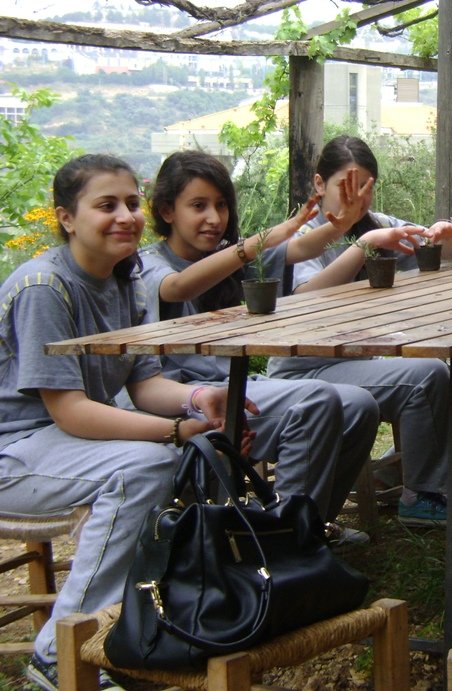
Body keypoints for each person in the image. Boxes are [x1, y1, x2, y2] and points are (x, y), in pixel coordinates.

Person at [0, 154, 247, 690]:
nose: (125, 216)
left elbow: (145, 385)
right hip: (15, 452)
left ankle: (150, 622)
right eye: (106, 205)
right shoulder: (44, 287)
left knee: (197, 452)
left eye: (132, 203)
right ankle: (58, 653)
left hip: (65, 444)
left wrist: (199, 399)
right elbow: (70, 409)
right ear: (67, 218)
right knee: (145, 466)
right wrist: (173, 431)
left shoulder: (126, 279)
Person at [139, 150, 380, 545]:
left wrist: (344, 225)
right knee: (317, 400)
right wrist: (251, 246)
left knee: (359, 404)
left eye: (221, 205)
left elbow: (298, 250)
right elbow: (179, 287)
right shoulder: (150, 265)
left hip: (237, 387)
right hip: (185, 398)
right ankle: (280, 546)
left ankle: (306, 527)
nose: (214, 218)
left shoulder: (225, 256)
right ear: (167, 211)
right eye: (198, 206)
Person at [267, 135, 452, 528]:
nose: (358, 199)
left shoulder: (380, 224)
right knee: (429, 375)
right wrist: (364, 247)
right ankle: (422, 497)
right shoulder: (305, 236)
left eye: (365, 188)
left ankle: (388, 477)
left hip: (359, 360)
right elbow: (304, 296)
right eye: (346, 186)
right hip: (307, 368)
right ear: (319, 184)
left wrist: (449, 234)